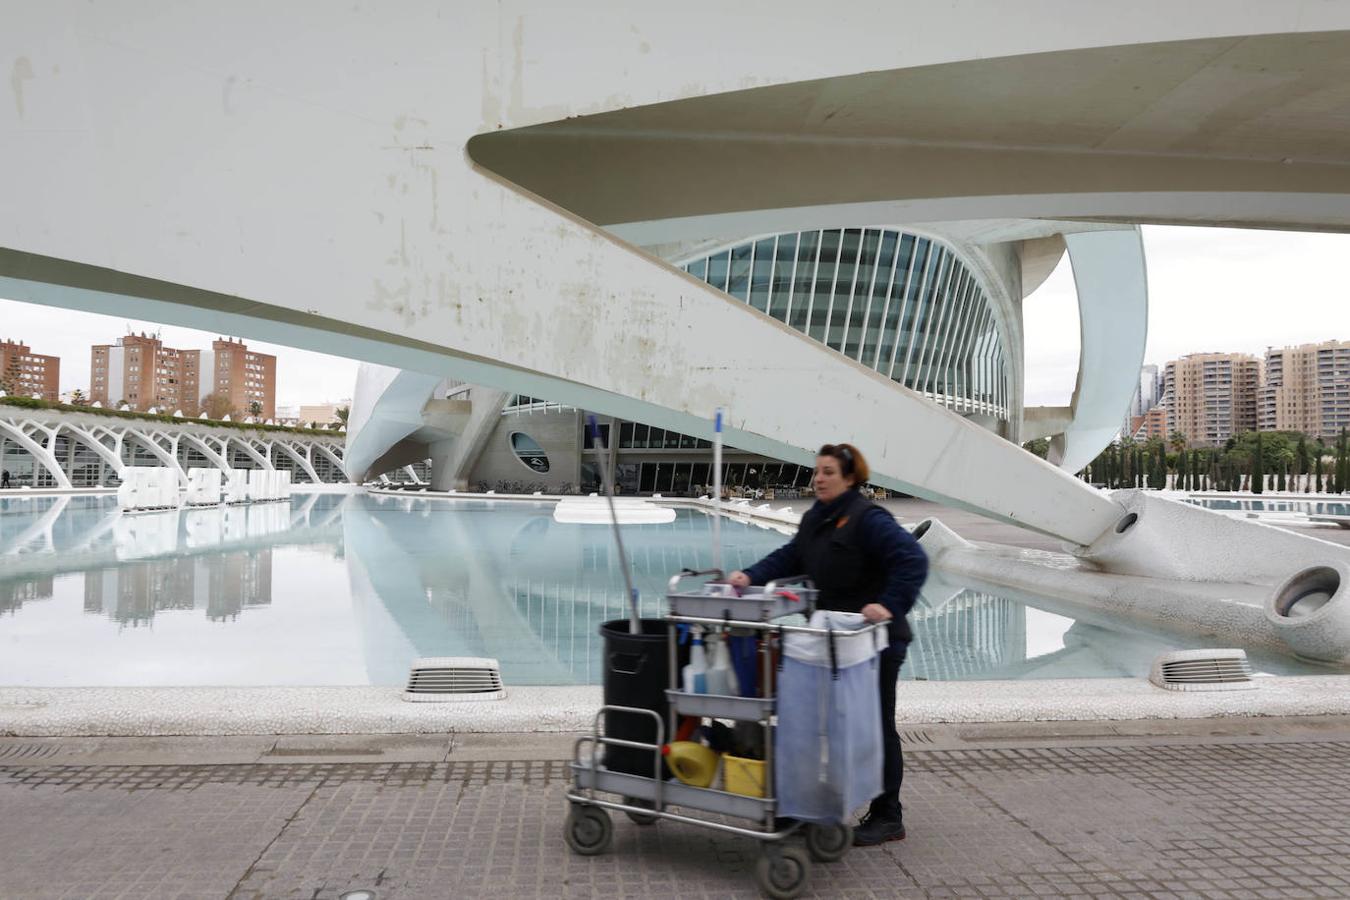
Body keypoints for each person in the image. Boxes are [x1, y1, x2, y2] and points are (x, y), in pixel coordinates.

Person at [729, 442, 927, 846]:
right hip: (830, 641)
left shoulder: (868, 520)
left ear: (850, 478)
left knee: (874, 724)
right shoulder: (817, 519)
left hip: (875, 643)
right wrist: (749, 576)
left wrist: (888, 605)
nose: (819, 478)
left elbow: (912, 560)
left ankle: (889, 816)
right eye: (817, 471)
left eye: (829, 472)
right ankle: (810, 806)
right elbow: (789, 557)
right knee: (817, 725)